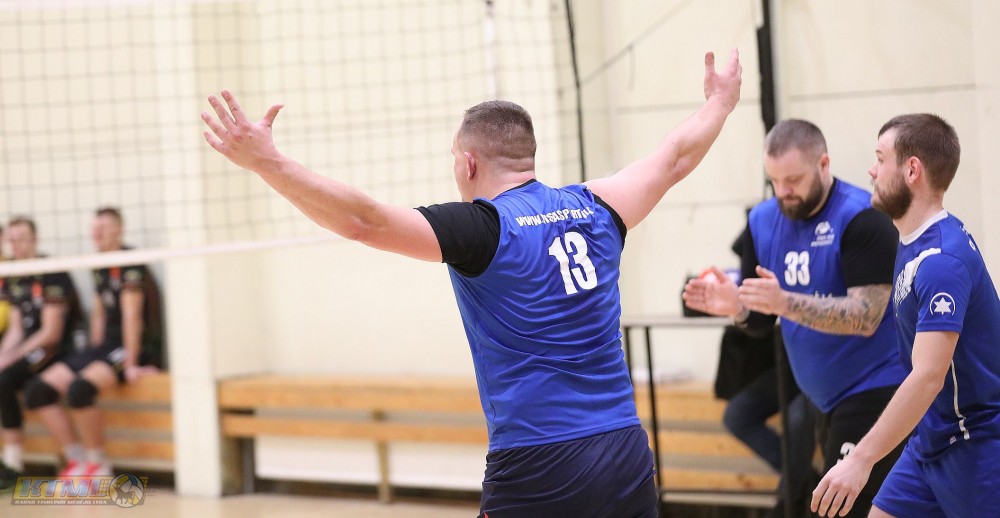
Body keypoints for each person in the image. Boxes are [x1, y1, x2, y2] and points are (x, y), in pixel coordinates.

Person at [199, 49, 741, 517]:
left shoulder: (484, 229)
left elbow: (363, 221)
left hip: (539, 460)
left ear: (468, 162)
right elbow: (674, 159)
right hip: (623, 450)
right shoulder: (597, 206)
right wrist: (719, 103)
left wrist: (267, 163)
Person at [683, 119, 906, 517]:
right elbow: (759, 319)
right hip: (823, 396)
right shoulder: (761, 221)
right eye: (774, 181)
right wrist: (735, 307)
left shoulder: (861, 216)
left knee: (840, 509)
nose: (783, 191)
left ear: (824, 164)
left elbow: (866, 317)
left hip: (875, 390)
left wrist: (784, 302)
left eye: (793, 179)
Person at [811, 114, 1000, 517]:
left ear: (912, 170)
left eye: (881, 159)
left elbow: (928, 376)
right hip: (930, 439)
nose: (871, 170)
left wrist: (861, 459)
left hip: (977, 444)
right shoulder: (913, 239)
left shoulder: (941, 261)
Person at [23, 207, 164, 478]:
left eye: (103, 228)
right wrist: (93, 352)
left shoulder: (130, 263)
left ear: (119, 230)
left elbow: (132, 317)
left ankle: (99, 465)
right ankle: (77, 462)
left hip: (133, 347)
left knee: (79, 390)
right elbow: (99, 314)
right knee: (37, 391)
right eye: (94, 228)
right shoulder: (100, 264)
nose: (96, 233)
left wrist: (132, 363)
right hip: (106, 347)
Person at [701, 229, 817, 518]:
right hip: (787, 364)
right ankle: (808, 483)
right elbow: (755, 321)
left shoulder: (814, 253)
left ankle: (792, 497)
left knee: (796, 422)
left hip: (823, 365)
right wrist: (736, 307)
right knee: (737, 415)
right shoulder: (761, 236)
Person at [0, 217, 83, 489]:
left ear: (34, 239)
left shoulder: (51, 272)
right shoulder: (12, 274)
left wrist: (13, 357)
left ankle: (19, 462)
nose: (15, 244)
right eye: (11, 239)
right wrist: (3, 356)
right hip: (31, 347)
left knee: (14, 383)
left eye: (21, 238)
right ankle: (11, 461)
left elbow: (51, 333)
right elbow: (16, 329)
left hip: (57, 348)